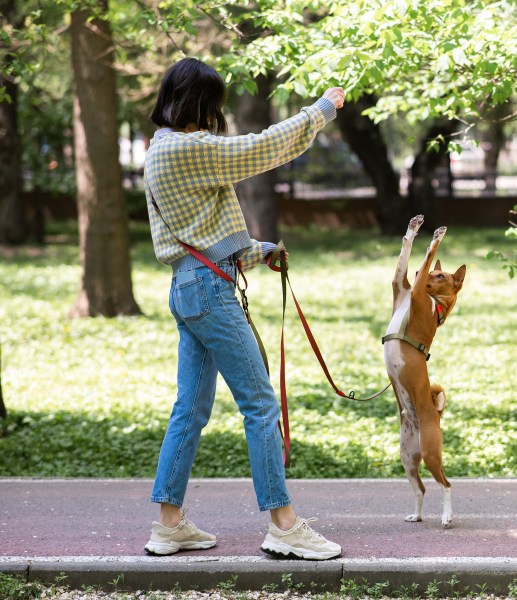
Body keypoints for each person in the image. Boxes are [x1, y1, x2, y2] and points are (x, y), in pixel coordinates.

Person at [142, 57, 345, 560]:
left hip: (190, 287)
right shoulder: (188, 149)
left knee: (189, 409)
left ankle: (168, 525)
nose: (217, 114)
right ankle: (284, 524)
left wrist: (260, 250)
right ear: (198, 102)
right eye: (213, 103)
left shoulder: (160, 150)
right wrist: (321, 110)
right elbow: (261, 148)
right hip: (208, 294)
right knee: (259, 403)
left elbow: (195, 237)